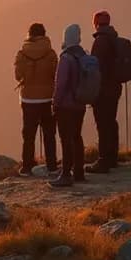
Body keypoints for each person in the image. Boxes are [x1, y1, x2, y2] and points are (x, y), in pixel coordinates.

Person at [14, 23, 58, 177]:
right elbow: (56, 75)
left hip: (28, 100)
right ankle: (52, 165)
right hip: (48, 98)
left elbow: (18, 76)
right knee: (49, 134)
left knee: (28, 134)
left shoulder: (21, 53)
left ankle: (27, 166)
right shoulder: (51, 53)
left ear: (29, 34)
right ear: (44, 34)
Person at [50, 24, 89, 187]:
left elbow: (61, 84)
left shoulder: (66, 58)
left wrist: (55, 102)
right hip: (80, 104)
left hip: (65, 106)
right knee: (77, 137)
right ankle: (79, 172)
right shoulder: (84, 56)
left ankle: (66, 174)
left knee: (66, 139)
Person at [85, 11, 123, 174]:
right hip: (115, 87)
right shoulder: (115, 38)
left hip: (103, 89)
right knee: (111, 121)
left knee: (102, 124)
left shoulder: (100, 41)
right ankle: (112, 157)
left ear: (95, 23)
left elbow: (95, 70)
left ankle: (103, 160)